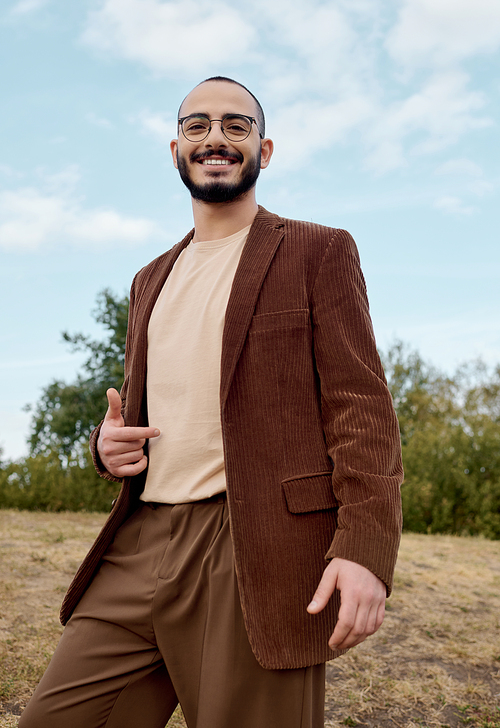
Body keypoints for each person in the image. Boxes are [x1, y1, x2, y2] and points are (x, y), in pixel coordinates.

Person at [19, 76, 403, 728]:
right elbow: (150, 406)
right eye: (196, 126)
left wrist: (364, 549)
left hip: (257, 548)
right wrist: (107, 448)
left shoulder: (318, 250)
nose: (215, 138)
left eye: (236, 125)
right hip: (139, 541)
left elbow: (360, 408)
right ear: (176, 149)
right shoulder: (150, 279)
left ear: (265, 148)